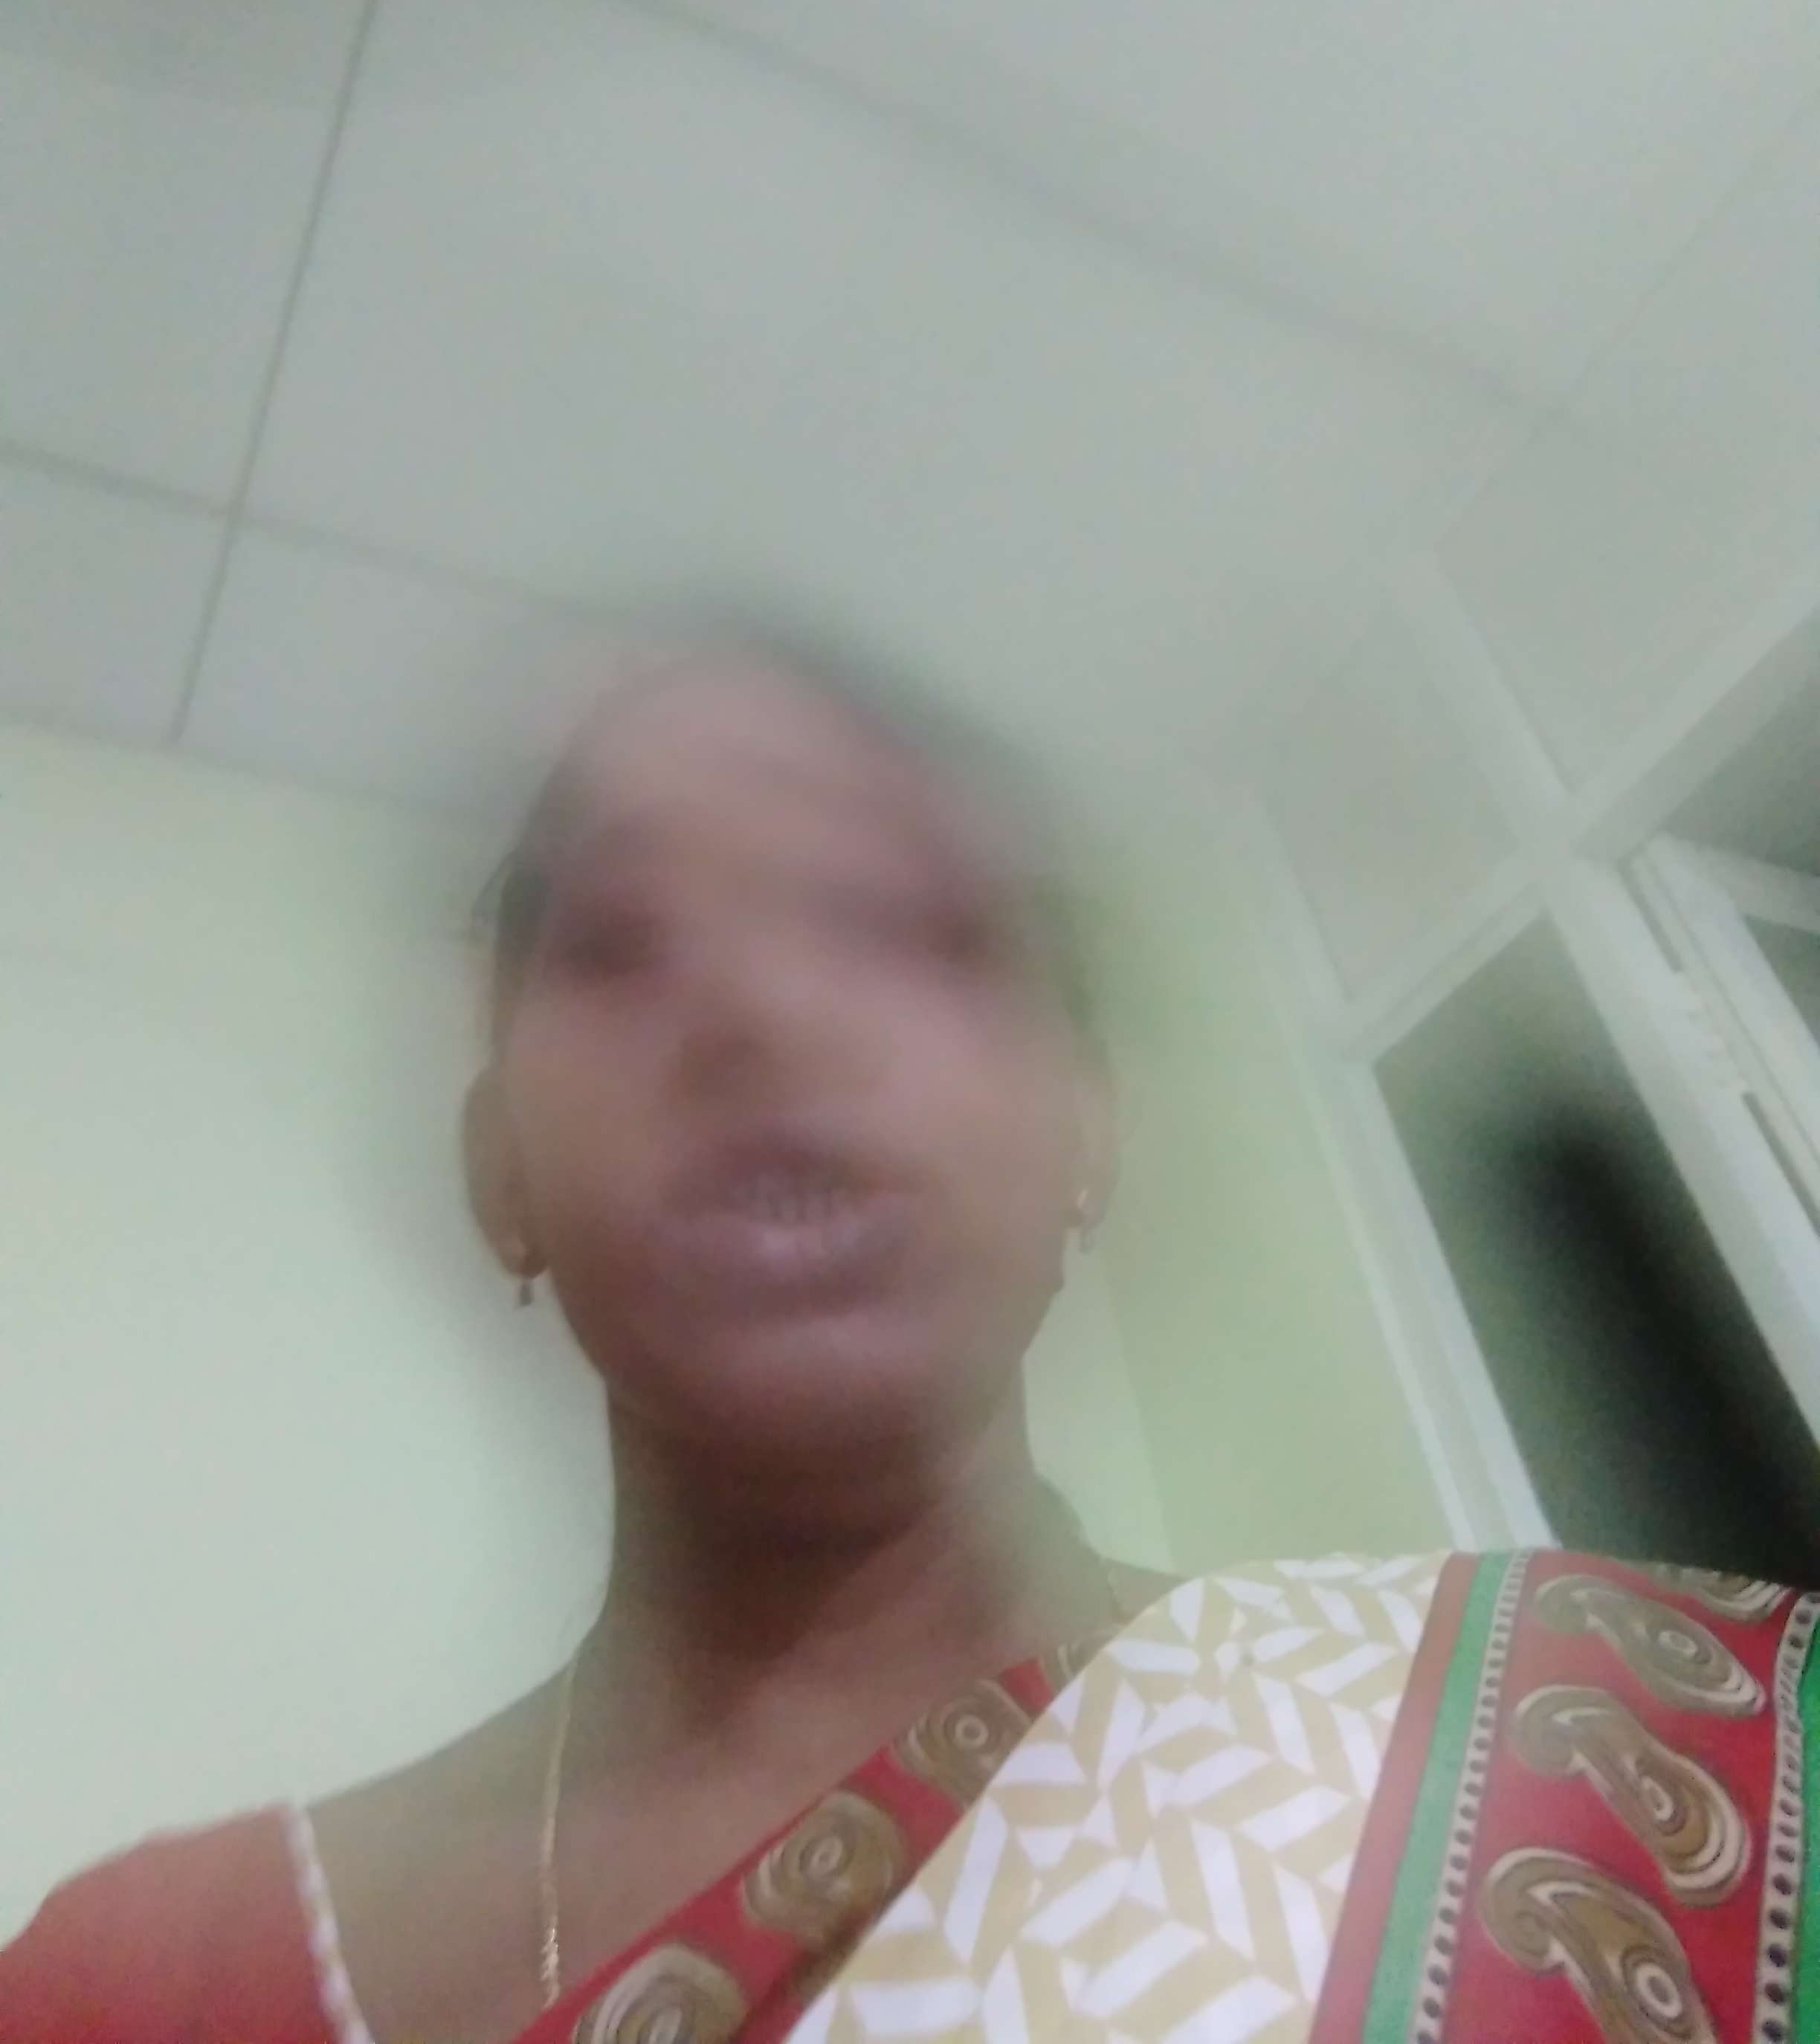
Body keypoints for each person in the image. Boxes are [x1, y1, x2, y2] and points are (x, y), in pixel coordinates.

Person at [4, 625, 1816, 2044]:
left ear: (1086, 1132)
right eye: (620, 937)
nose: (764, 1004)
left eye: (895, 918)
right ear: (503, 1179)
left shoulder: (1575, 1754)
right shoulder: (133, 1990)